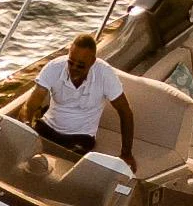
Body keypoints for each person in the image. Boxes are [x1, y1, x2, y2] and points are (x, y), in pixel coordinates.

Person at [33, 34, 129, 162]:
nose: (73, 69)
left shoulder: (105, 74)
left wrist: (126, 154)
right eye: (70, 63)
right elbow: (29, 105)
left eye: (80, 66)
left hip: (80, 137)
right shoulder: (54, 67)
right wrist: (26, 126)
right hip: (48, 126)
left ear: (92, 62)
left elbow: (125, 112)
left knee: (65, 164)